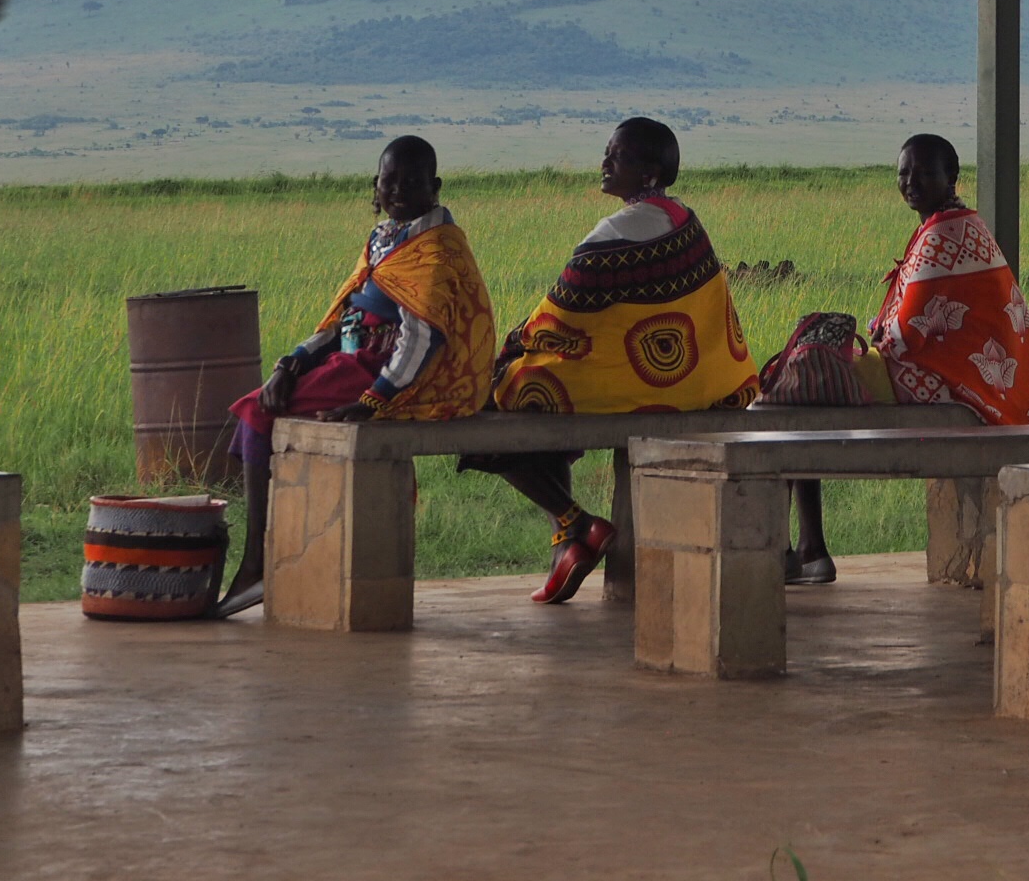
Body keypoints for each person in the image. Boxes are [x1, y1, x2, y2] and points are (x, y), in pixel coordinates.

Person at [472, 117, 759, 605]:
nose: (605, 163)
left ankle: (575, 524)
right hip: (701, 382)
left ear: (649, 172)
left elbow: (559, 312)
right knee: (542, 384)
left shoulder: (618, 230)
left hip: (647, 389)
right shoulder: (683, 218)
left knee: (505, 393)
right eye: (607, 152)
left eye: (619, 156)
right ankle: (567, 542)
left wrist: (513, 345)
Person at [213, 135, 495, 617]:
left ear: (435, 187)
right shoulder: (384, 238)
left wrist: (374, 400)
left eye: (412, 181)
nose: (399, 190)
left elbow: (422, 338)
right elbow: (342, 319)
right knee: (262, 406)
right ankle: (270, 559)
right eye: (390, 181)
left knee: (256, 415)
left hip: (386, 371)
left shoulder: (437, 248)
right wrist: (290, 364)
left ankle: (256, 561)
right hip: (352, 358)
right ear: (375, 186)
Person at [787, 132, 1029, 584]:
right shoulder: (958, 224)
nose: (911, 182)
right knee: (806, 383)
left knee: (802, 385)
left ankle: (808, 549)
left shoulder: (943, 234)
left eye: (924, 172)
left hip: (939, 379)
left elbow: (905, 336)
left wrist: (863, 344)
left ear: (951, 177)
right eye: (904, 172)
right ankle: (808, 549)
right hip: (953, 374)